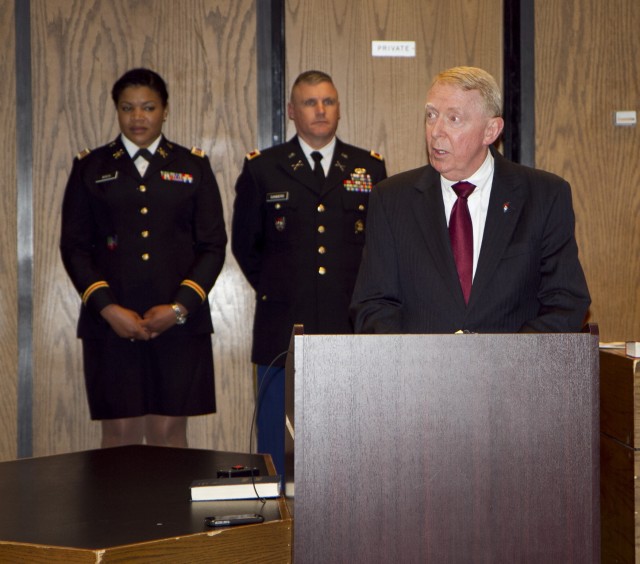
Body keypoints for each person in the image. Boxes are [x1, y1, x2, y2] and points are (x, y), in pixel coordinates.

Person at [350, 66, 590, 334]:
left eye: (453, 119)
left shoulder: (544, 196)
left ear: (491, 131)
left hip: (514, 372)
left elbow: (566, 302)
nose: (435, 131)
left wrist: (506, 363)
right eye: (431, 116)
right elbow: (373, 305)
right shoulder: (392, 199)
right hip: (418, 373)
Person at [60, 68, 227, 448]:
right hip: (110, 323)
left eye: (148, 107)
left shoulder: (192, 166)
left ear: (165, 110)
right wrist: (107, 308)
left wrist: (179, 308)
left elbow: (213, 245)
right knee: (120, 435)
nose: (138, 117)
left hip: (180, 323)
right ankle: (115, 512)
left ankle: (169, 512)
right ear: (116, 111)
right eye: (127, 108)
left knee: (169, 434)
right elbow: (74, 247)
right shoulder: (91, 167)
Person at [232, 70, 387, 474]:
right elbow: (246, 247)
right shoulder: (263, 169)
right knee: (276, 448)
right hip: (281, 327)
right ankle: (279, 534)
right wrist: (282, 289)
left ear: (339, 108)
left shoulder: (369, 169)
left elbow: (381, 249)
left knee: (352, 445)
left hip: (349, 327)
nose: (321, 110)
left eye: (328, 102)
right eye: (310, 102)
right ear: (291, 111)